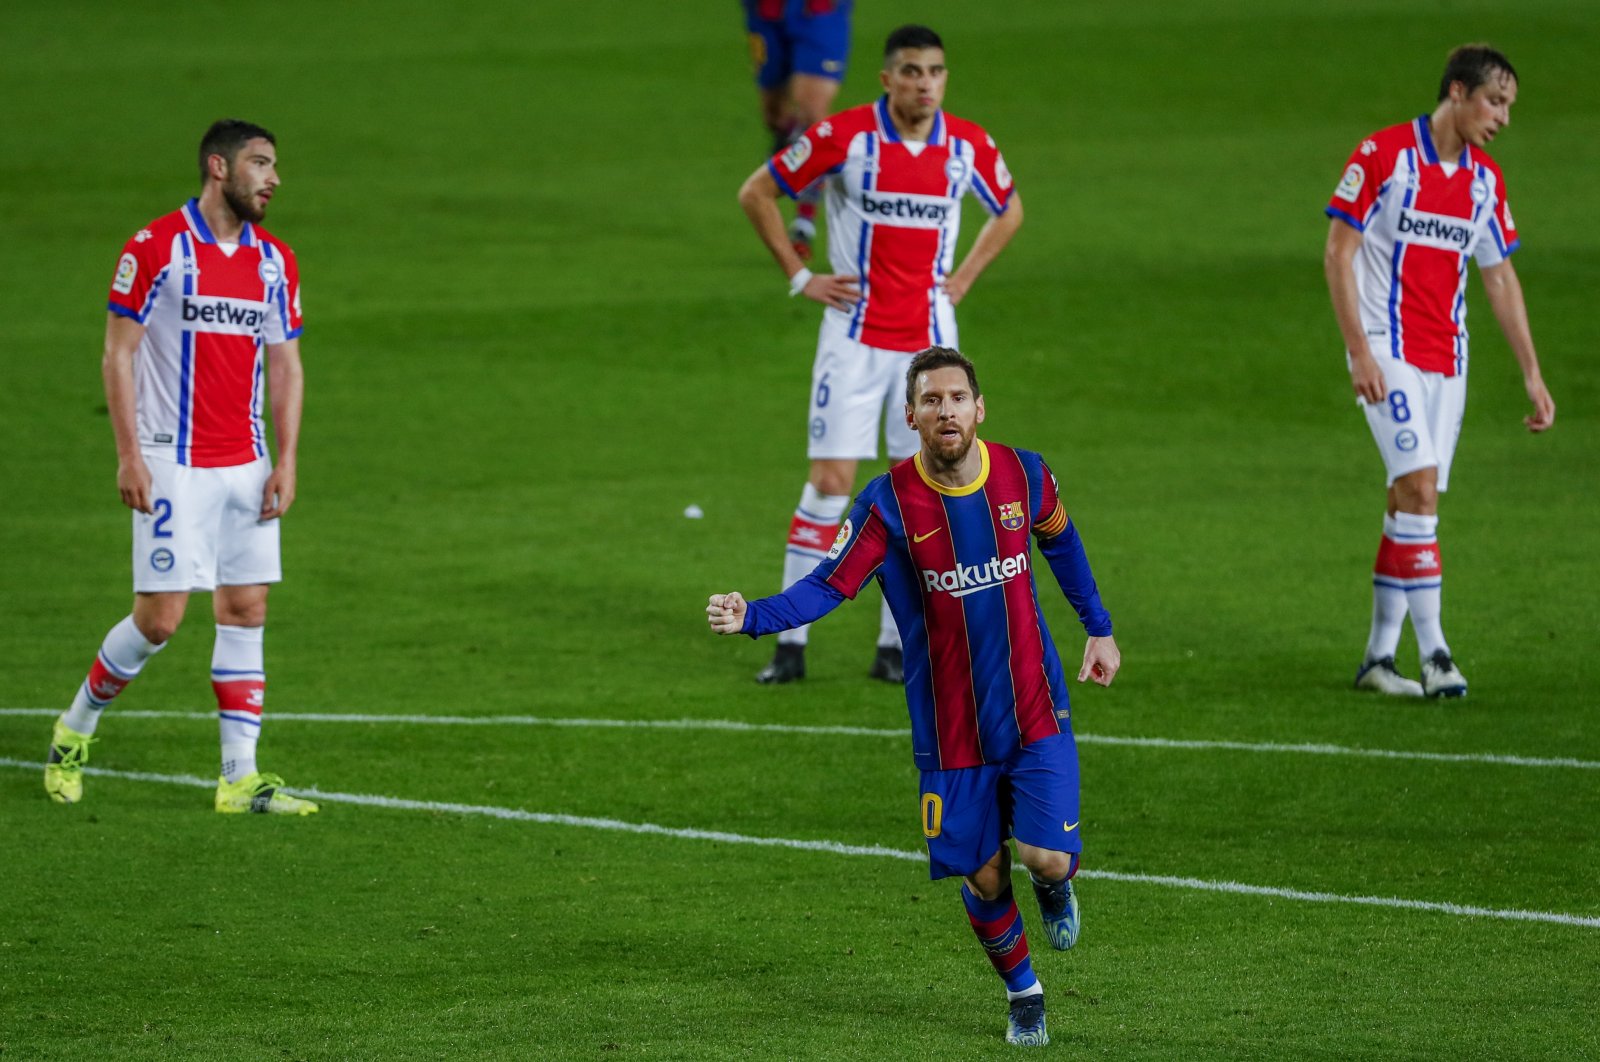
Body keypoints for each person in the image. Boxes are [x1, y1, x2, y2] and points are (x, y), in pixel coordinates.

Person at [707, 347, 1119, 1046]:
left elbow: (1063, 543)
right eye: (931, 401)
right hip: (951, 727)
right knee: (984, 878)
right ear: (911, 417)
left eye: (957, 397)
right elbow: (830, 584)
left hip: (1033, 706)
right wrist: (756, 617)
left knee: (1043, 859)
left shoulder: (1025, 474)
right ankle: (1025, 994)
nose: (946, 410)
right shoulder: (888, 503)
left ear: (979, 408)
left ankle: (1052, 885)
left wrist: (1099, 630)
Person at [44, 119, 317, 814]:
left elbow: (285, 364)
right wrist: (129, 455)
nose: (274, 177)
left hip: (246, 465)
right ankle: (75, 729)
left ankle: (239, 779)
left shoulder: (274, 261)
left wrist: (286, 459)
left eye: (275, 165)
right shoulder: (156, 247)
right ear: (219, 169)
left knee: (246, 607)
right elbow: (119, 353)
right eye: (260, 163)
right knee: (160, 621)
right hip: (173, 464)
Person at [737, 23, 1024, 686]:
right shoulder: (844, 138)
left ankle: (897, 648)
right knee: (831, 482)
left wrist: (967, 275)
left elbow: (1008, 210)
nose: (926, 84)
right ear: (887, 78)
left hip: (928, 351)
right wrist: (800, 275)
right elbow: (757, 191)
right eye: (913, 71)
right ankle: (790, 642)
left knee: (920, 489)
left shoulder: (969, 146)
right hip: (854, 339)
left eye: (936, 72)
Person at [1324, 44, 1555, 699]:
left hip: (1447, 362)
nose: (1503, 118)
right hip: (1384, 350)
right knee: (1420, 489)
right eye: (1495, 101)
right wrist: (1360, 351)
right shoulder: (1384, 157)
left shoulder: (1486, 182)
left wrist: (1532, 373)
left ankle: (1376, 660)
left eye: (1509, 106)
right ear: (1458, 91)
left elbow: (1500, 276)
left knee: (1409, 502)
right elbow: (1338, 254)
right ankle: (1436, 655)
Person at [741, 0, 855, 261]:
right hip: (766, 11)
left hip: (818, 11)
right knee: (774, 116)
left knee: (813, 115)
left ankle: (804, 222)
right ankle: (791, 151)